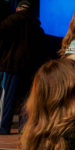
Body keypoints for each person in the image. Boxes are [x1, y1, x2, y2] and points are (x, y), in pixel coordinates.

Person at [0, 0, 47, 134]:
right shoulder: (37, 26)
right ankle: (24, 128)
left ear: (18, 9)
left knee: (7, 98)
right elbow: (42, 49)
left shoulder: (10, 20)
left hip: (10, 66)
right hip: (30, 69)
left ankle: (4, 127)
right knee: (26, 99)